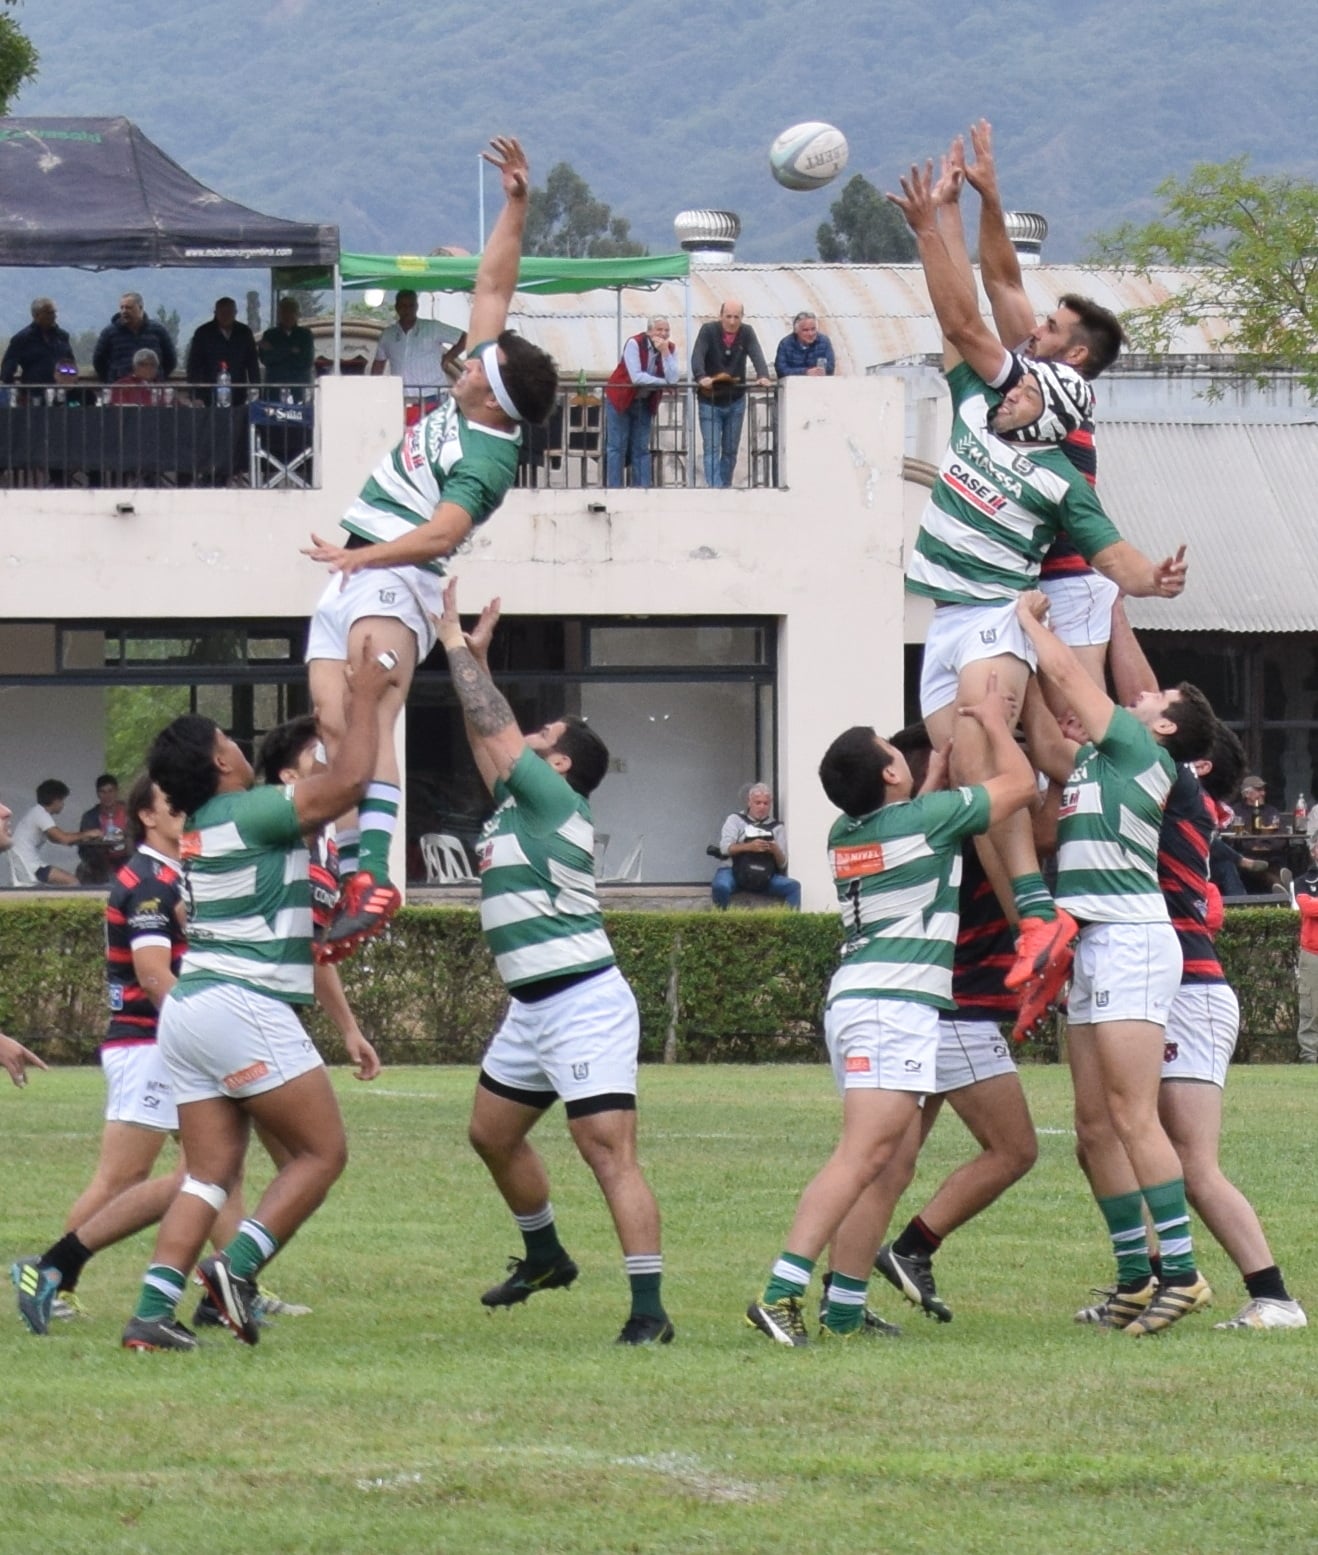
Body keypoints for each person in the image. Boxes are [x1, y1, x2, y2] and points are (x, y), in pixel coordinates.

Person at [886, 156, 1187, 1037]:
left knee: (1018, 747)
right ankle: (1034, 930)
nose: (1013, 373)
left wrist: (1149, 581)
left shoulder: (1063, 473)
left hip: (1007, 611)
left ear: (1054, 399)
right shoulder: (982, 400)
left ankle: (1099, 839)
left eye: (1030, 378)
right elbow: (961, 311)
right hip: (944, 619)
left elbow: (1114, 557)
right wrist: (935, 222)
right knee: (977, 789)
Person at [301, 137, 559, 962]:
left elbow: (446, 534)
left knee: (372, 711)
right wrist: (516, 201)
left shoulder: (487, 453)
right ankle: (349, 871)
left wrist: (363, 559)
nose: (465, 355)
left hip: (394, 576)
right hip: (355, 569)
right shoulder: (482, 396)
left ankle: (374, 872)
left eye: (478, 361)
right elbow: (494, 282)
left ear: (492, 388)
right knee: (332, 719)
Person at [746, 682, 1036, 1345]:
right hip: (891, 1005)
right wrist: (992, 721)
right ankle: (780, 1290)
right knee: (860, 1155)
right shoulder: (925, 820)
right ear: (889, 771)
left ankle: (843, 1306)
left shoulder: (849, 828)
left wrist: (928, 776)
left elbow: (912, 817)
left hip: (860, 997)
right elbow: (1018, 787)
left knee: (883, 1161)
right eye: (891, 750)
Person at [120, 644, 386, 1352]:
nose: (237, 745)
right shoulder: (248, 810)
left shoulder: (205, 824)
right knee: (321, 1154)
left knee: (208, 1175)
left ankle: (150, 1313)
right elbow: (354, 779)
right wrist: (365, 698)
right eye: (228, 740)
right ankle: (235, 1271)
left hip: (191, 1010)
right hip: (243, 1003)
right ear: (220, 761)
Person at [437, 581, 672, 1346]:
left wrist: (453, 646)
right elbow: (486, 728)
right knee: (490, 1132)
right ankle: (546, 1257)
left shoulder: (554, 804)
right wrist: (472, 660)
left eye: (545, 733)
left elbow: (495, 725)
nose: (529, 734)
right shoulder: (516, 801)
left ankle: (649, 1312)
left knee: (607, 1151)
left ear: (560, 761)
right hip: (532, 1008)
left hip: (583, 1001)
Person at [1017, 589, 1217, 1335]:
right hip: (1096, 941)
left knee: (1133, 1115)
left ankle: (1184, 1273)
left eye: (1154, 697)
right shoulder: (1102, 760)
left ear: (1165, 726)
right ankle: (1136, 1277)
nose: (1140, 694)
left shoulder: (1142, 751)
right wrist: (1022, 673)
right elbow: (1046, 734)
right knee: (1093, 1127)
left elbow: (1072, 678)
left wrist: (1032, 624)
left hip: (1132, 937)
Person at [959, 121, 1126, 698]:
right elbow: (1004, 280)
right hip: (1029, 577)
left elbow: (988, 302)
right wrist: (990, 195)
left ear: (1075, 353)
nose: (1035, 327)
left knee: (1077, 725)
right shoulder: (1036, 375)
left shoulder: (1054, 393)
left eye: (1050, 326)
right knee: (1030, 728)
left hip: (1070, 577)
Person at [690, 300, 771, 488]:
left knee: (730, 450)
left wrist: (763, 375)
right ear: (721, 316)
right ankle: (715, 488)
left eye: (736, 317)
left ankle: (724, 487)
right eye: (728, 316)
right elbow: (698, 355)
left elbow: (757, 354)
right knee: (711, 448)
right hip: (709, 400)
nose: (732, 322)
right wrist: (701, 376)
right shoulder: (708, 331)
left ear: (742, 318)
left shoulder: (747, 332)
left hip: (735, 399)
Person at [603, 316, 680, 488]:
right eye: (659, 330)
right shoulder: (634, 343)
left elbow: (674, 376)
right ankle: (614, 488)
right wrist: (665, 383)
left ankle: (642, 489)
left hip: (644, 401)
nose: (663, 334)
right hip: (621, 399)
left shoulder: (671, 348)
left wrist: (665, 353)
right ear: (649, 331)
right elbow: (637, 377)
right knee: (617, 446)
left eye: (666, 330)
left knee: (641, 447)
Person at [371, 289, 463, 422]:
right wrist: (374, 390)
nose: (407, 310)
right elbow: (379, 363)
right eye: (403, 306)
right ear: (397, 307)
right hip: (403, 396)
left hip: (433, 394)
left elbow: (464, 337)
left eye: (411, 306)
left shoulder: (432, 327)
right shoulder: (388, 334)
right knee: (408, 435)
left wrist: (449, 357)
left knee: (435, 435)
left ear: (417, 307)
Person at [710, 783, 801, 910]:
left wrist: (775, 850)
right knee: (720, 886)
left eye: (766, 803)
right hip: (733, 871)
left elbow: (783, 864)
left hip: (763, 875)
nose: (762, 807)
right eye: (758, 803)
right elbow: (725, 848)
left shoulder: (777, 827)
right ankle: (722, 922)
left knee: (793, 887)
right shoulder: (735, 820)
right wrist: (749, 847)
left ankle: (792, 925)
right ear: (749, 802)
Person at [8, 779, 101, 887]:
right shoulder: (41, 814)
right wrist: (88, 834)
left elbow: (55, 838)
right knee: (73, 882)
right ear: (56, 800)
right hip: (30, 866)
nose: (63, 804)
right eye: (62, 800)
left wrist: (79, 838)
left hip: (25, 864)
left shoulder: (37, 812)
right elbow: (63, 838)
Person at [185, 296, 260, 404]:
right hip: (208, 394)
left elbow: (252, 364)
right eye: (222, 312)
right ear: (215, 313)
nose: (226, 316)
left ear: (235, 312)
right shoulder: (203, 333)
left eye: (229, 312)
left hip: (238, 393)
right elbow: (194, 366)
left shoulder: (244, 333)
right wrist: (195, 395)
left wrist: (255, 391)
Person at [93, 291, 177, 384]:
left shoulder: (158, 331)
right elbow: (99, 362)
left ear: (140, 308)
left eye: (129, 308)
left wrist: (157, 376)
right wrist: (113, 379)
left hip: (152, 387)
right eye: (122, 308)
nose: (124, 311)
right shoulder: (109, 333)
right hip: (120, 389)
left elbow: (170, 360)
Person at [1, 296, 75, 402]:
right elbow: (7, 369)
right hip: (33, 396)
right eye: (49, 313)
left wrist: (70, 383)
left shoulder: (62, 337)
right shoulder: (22, 339)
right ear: (37, 315)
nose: (54, 316)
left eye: (54, 312)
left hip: (60, 396)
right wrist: (17, 391)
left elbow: (70, 363)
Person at [77, 772, 130, 885]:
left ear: (116, 792)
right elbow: (83, 849)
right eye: (103, 792)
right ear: (98, 794)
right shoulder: (90, 817)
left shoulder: (130, 813)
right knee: (83, 868)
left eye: (111, 791)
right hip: (102, 863)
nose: (107, 796)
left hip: (129, 859)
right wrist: (100, 846)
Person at [259, 297, 316, 400]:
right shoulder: (270, 335)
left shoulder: (305, 335)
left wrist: (276, 350)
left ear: (297, 314)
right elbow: (266, 359)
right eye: (284, 311)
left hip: (299, 388)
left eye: (291, 311)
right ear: (279, 314)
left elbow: (306, 361)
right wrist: (291, 350)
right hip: (274, 389)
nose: (288, 315)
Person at [1296, 831, 1318, 1064]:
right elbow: (1308, 908)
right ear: (1313, 851)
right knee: (1311, 1008)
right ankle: (1311, 1057)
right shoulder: (1304, 880)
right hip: (1313, 953)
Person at [774, 311, 835, 378]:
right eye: (805, 330)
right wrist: (806, 372)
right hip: (794, 385)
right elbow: (781, 370)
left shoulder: (824, 342)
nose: (810, 334)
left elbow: (830, 367)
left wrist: (820, 371)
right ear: (796, 331)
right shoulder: (785, 344)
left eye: (813, 329)